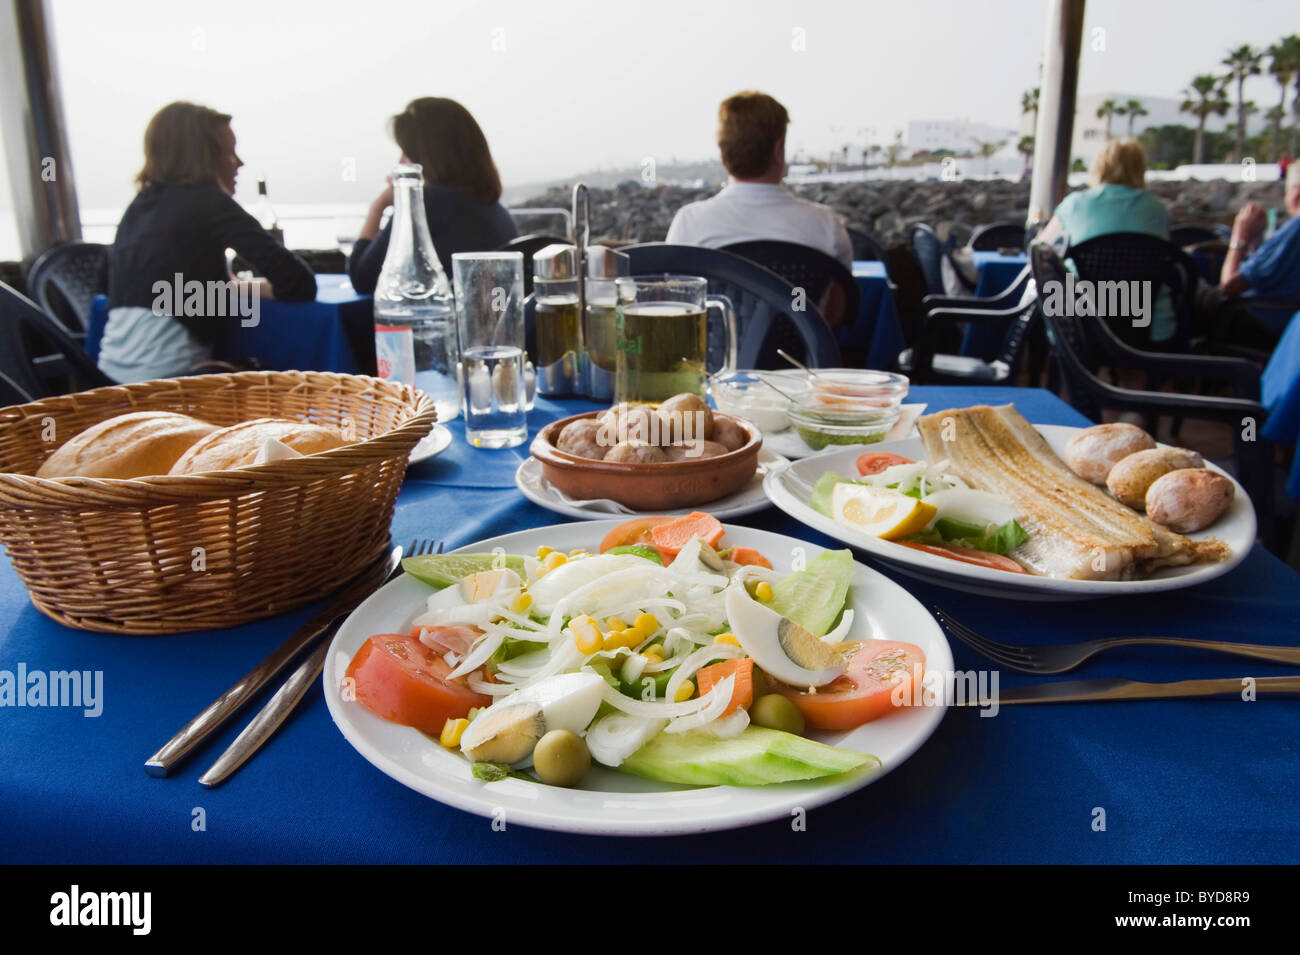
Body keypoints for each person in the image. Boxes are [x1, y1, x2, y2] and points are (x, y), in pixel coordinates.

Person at [103, 102, 316, 383]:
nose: (240, 163)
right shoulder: (209, 202)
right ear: (205, 158)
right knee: (281, 379)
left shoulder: (139, 207)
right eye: (229, 153)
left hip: (108, 378)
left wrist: (229, 288)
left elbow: (122, 284)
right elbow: (299, 284)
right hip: (170, 384)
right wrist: (246, 289)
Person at [666, 91, 853, 269]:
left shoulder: (690, 223)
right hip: (799, 304)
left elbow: (675, 295)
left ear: (723, 152)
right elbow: (840, 300)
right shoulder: (826, 225)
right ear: (778, 150)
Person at [349, 98, 517, 291]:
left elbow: (362, 277)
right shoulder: (493, 208)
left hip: (442, 319)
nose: (401, 162)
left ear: (423, 158)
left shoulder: (426, 202)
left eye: (406, 153)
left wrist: (378, 206)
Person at [1035, 138, 1176, 344]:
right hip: (1145, 318)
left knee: (1048, 291)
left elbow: (1040, 251)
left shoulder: (1076, 204)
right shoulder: (1157, 209)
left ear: (1099, 166)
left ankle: (1045, 368)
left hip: (1081, 318)